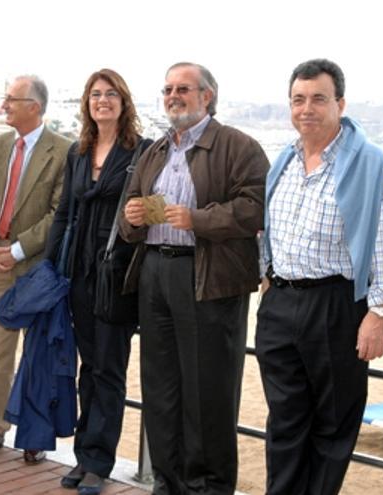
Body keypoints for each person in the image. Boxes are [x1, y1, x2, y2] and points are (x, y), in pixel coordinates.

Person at [257, 58, 383, 495]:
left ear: (340, 104)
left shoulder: (370, 165)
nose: (307, 108)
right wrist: (267, 276)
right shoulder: (284, 160)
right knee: (284, 421)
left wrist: (378, 313)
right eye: (298, 99)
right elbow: (268, 228)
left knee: (332, 426)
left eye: (318, 99)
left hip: (335, 307)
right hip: (280, 305)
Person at [120, 62, 268, 494]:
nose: (173, 95)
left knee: (208, 392)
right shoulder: (155, 150)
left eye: (183, 88)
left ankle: (208, 487)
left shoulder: (239, 147)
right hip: (155, 274)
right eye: (167, 89)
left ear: (207, 95)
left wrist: (198, 219)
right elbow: (131, 209)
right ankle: (168, 482)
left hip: (209, 279)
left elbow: (255, 207)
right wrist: (132, 219)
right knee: (161, 387)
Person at [45, 69, 151, 494]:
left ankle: (99, 462)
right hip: (79, 276)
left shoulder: (141, 152)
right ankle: (85, 456)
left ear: (123, 103)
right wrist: (53, 268)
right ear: (86, 104)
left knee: (109, 369)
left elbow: (148, 214)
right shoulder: (78, 152)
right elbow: (65, 215)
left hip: (117, 277)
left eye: (110, 94)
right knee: (87, 369)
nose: (102, 100)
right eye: (95, 95)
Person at [0, 75, 71, 464]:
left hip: (37, 272)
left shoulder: (64, 150)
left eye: (12, 99)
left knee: (38, 357)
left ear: (35, 106)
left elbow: (58, 214)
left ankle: (34, 436)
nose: (4, 105)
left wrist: (15, 248)